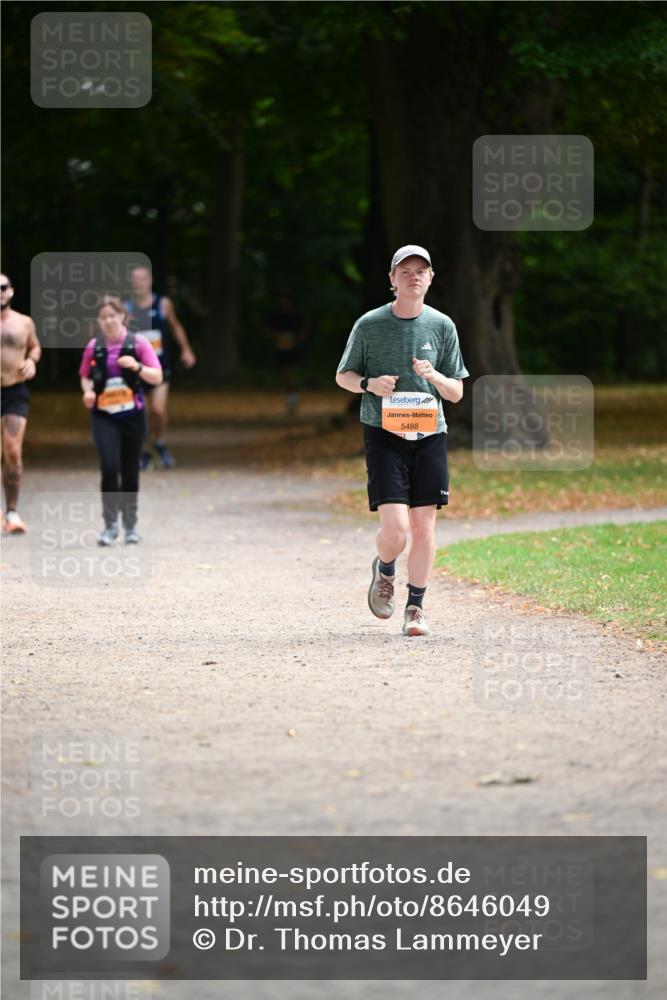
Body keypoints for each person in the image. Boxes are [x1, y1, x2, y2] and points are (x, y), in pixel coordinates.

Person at [335, 245, 469, 637]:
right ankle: (385, 568)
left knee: (424, 528)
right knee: (396, 531)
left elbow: (457, 392)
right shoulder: (369, 325)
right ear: (392, 280)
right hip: (384, 434)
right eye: (404, 270)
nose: (413, 276)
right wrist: (368, 385)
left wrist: (436, 378)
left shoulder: (442, 326)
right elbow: (343, 375)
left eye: (420, 271)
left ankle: (415, 607)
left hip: (429, 434)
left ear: (431, 278)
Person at [79, 296, 162, 545]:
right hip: (104, 416)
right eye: (103, 318)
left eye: (112, 316)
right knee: (109, 466)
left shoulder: (138, 343)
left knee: (129, 468)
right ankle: (109, 525)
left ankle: (131, 524)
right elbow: (84, 375)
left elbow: (156, 376)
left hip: (133, 416)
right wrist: (88, 392)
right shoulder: (94, 346)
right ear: (99, 321)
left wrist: (136, 366)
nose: (108, 321)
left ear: (122, 317)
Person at [125, 266, 196, 470]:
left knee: (158, 410)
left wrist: (186, 350)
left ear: (150, 280)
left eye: (143, 278)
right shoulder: (125, 308)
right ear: (131, 283)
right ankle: (144, 450)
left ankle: (160, 442)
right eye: (135, 279)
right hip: (136, 369)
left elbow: (175, 326)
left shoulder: (163, 304)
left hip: (158, 367)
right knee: (141, 412)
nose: (139, 282)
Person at [1, 273, 41, 534]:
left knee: (13, 452)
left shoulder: (24, 322)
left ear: (11, 291)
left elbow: (35, 347)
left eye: (2, 287)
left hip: (14, 392)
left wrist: (32, 361)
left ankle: (12, 513)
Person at [264, 291, 305, 416]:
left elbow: (303, 330)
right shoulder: (276, 316)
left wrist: (296, 340)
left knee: (292, 375)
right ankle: (290, 403)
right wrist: (277, 336)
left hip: (293, 349)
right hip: (281, 349)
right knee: (285, 375)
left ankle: (293, 402)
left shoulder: (295, 316)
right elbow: (267, 329)